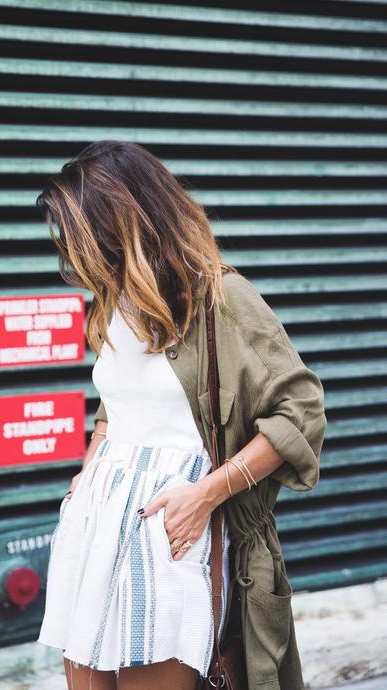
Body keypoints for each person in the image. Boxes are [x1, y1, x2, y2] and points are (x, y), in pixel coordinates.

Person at [36, 140, 327, 690]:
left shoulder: (222, 297)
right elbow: (114, 410)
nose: (69, 253)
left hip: (171, 533)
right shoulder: (112, 303)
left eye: (75, 235)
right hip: (96, 528)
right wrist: (85, 471)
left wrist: (206, 495)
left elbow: (302, 411)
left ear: (118, 223)